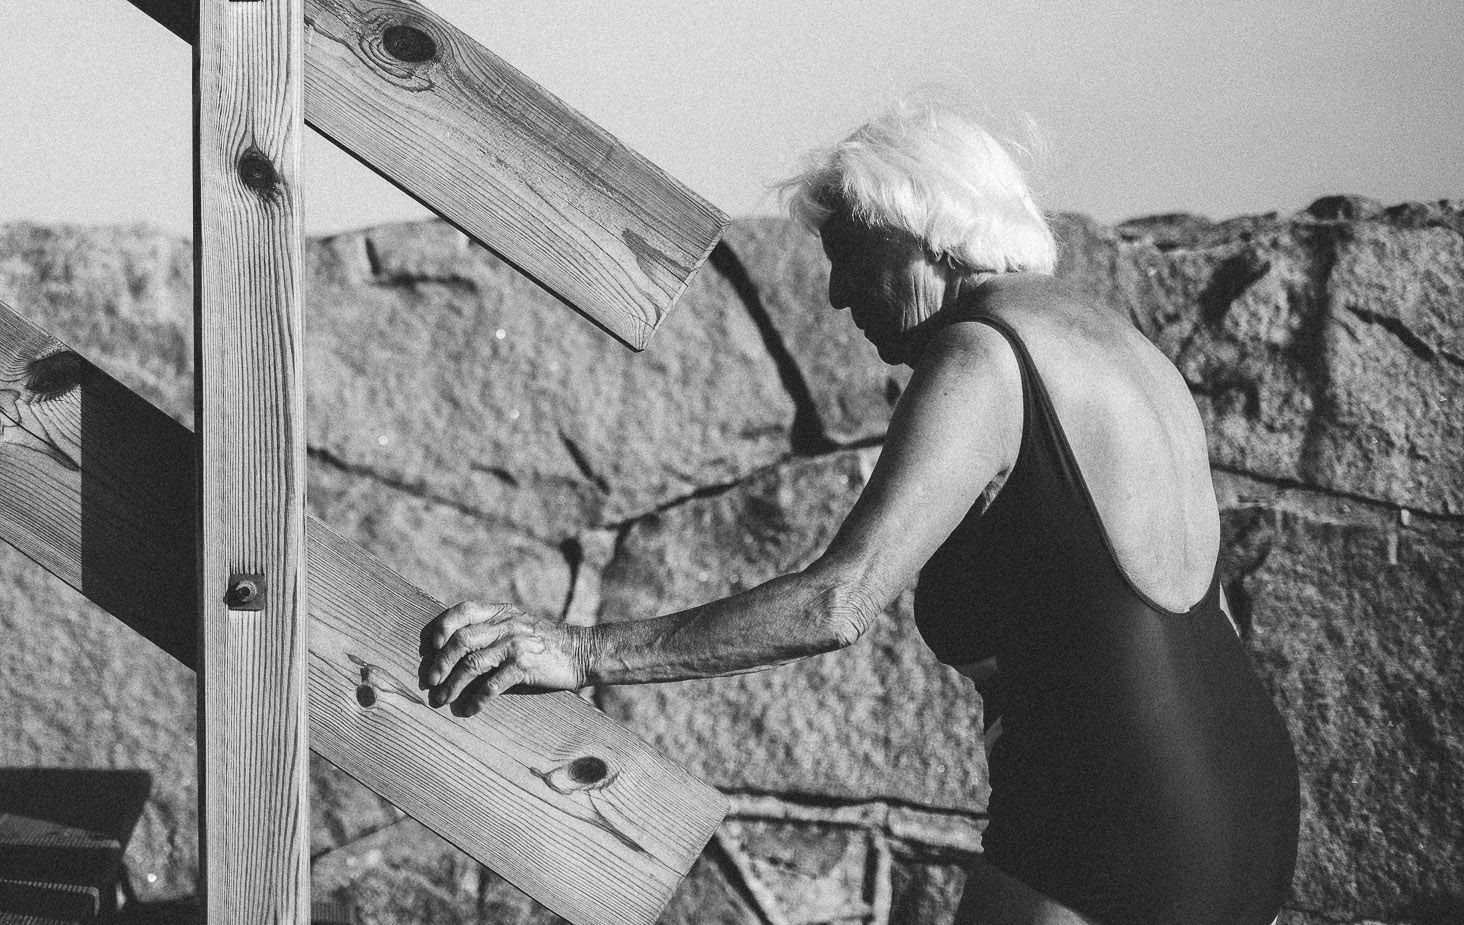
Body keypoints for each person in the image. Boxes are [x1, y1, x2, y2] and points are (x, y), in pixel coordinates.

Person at [419, 101, 1300, 925]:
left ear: (931, 238)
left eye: (851, 256)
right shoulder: (1125, 349)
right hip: (1244, 798)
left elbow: (835, 603)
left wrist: (577, 652)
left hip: (1110, 815)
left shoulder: (983, 354)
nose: (838, 295)